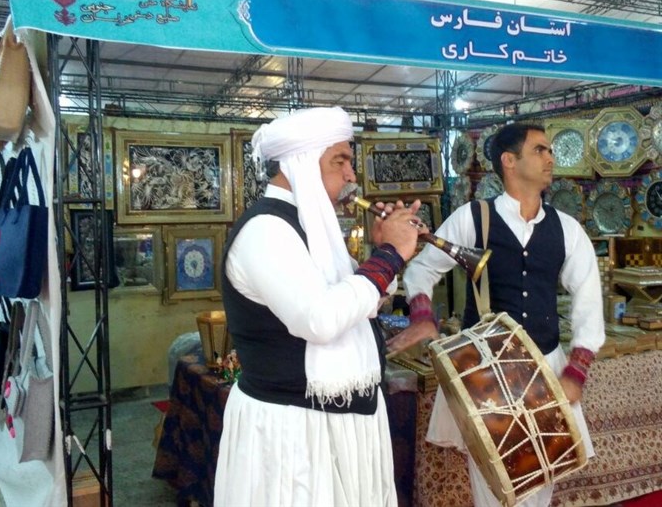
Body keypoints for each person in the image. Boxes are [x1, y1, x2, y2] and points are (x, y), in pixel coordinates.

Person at [214, 106, 425, 507]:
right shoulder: (266, 230)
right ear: (302, 162)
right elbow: (321, 319)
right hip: (292, 431)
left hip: (329, 423)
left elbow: (355, 303)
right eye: (339, 161)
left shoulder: (308, 226)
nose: (351, 175)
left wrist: (383, 251)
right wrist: (390, 254)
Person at [393, 123, 606, 507]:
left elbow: (589, 302)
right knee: (493, 484)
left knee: (543, 477)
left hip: (545, 365)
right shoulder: (473, 218)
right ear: (509, 160)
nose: (551, 157)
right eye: (540, 150)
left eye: (549, 150)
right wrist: (422, 315)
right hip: (483, 372)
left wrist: (576, 370)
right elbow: (421, 270)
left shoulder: (567, 229)